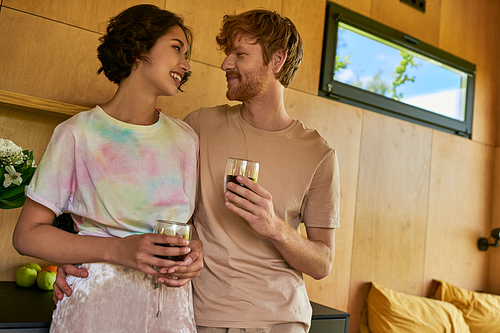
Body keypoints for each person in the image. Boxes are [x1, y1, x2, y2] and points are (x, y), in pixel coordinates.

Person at [54, 8, 339, 332]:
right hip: (201, 316)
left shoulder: (319, 154)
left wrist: (274, 226)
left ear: (277, 60)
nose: (225, 63)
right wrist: (78, 256)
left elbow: (322, 263)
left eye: (240, 54)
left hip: (281, 320)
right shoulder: (197, 127)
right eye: (228, 52)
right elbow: (138, 198)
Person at [12, 4, 203, 332]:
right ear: (139, 46)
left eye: (187, 55)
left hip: (170, 309)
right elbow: (27, 235)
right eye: (176, 48)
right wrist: (117, 249)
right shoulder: (76, 133)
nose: (186, 64)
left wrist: (195, 251)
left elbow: (185, 224)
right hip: (96, 303)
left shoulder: (186, 139)